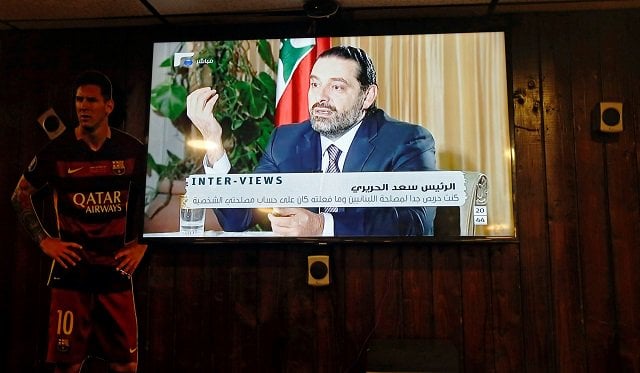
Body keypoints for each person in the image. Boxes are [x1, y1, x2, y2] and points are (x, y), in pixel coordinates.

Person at [187, 45, 437, 237]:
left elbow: (415, 224)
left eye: (336, 87)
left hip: (376, 274)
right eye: (315, 84)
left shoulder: (407, 141)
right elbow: (237, 219)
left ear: (367, 95)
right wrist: (213, 141)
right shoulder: (285, 140)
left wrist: (321, 226)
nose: (321, 98)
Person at [11, 71, 147, 373]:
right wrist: (45, 241)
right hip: (72, 274)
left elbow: (169, 191)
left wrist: (143, 244)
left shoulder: (130, 151)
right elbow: (19, 195)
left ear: (108, 106)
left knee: (126, 365)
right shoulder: (57, 151)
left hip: (115, 271)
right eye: (79, 100)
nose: (83, 106)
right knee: (67, 366)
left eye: (91, 100)